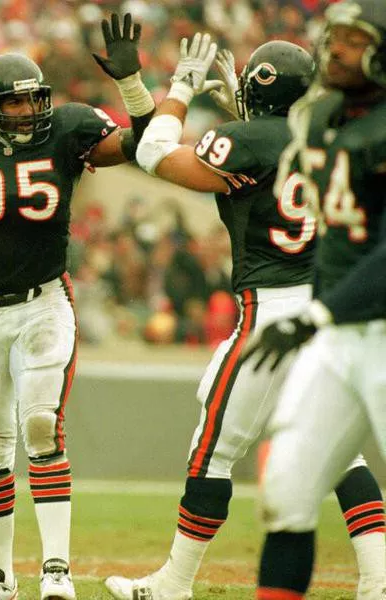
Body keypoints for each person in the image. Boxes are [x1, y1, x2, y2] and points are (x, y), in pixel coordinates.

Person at [104, 32, 385, 600]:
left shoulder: (248, 139)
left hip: (271, 310)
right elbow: (273, 149)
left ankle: (174, 583)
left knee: (213, 448)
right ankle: (378, 580)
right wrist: (247, 108)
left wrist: (181, 85)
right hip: (328, 304)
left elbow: (154, 153)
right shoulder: (330, 133)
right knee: (338, 449)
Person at [0, 13, 156, 600]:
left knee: (42, 429)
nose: (28, 114)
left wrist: (132, 86)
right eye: (15, 104)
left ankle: (56, 573)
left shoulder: (67, 128)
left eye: (34, 102)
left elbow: (145, 146)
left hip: (43, 303)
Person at [241, 1, 386, 598]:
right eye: (334, 38)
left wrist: (316, 313)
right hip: (339, 334)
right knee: (288, 491)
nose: (337, 50)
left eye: (355, 40)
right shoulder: (320, 115)